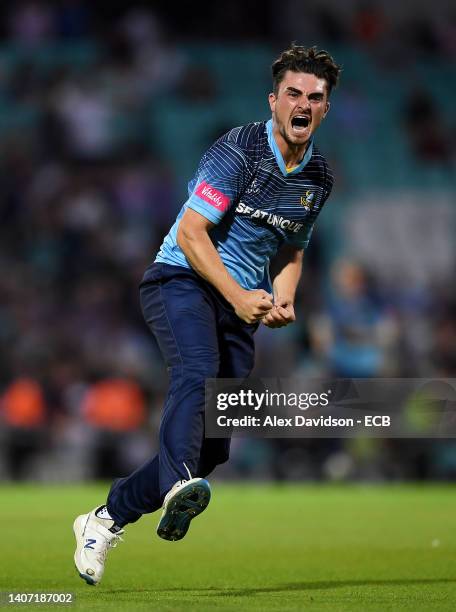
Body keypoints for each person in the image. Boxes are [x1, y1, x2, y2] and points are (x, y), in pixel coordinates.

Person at [73, 44, 340, 586]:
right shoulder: (238, 151)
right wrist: (241, 297)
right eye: (293, 92)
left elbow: (292, 249)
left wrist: (284, 296)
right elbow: (194, 234)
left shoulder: (318, 179)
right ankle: (174, 484)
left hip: (240, 305)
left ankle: (105, 518)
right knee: (194, 374)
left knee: (213, 446)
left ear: (325, 108)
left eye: (315, 97)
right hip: (182, 279)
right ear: (274, 99)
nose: (303, 103)